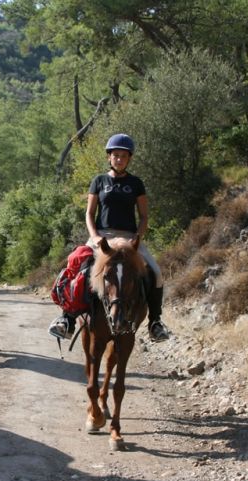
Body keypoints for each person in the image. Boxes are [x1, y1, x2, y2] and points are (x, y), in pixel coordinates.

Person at [48, 133, 170, 342]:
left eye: (123, 156)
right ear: (109, 157)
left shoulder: (136, 183)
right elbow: (89, 214)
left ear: (129, 158)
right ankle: (67, 319)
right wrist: (94, 236)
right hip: (102, 237)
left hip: (129, 239)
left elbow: (143, 216)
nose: (119, 159)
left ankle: (155, 322)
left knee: (156, 273)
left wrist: (137, 238)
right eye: (116, 155)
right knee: (76, 265)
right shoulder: (99, 181)